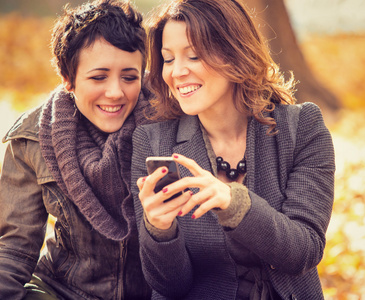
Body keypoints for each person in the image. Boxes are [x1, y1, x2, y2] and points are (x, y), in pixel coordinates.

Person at [131, 0, 335, 299]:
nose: (177, 72)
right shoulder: (153, 142)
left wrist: (234, 201)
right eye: (168, 59)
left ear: (234, 52)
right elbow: (169, 286)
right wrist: (159, 230)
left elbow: (303, 250)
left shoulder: (302, 126)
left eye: (194, 55)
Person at [0, 0, 154, 298]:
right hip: (62, 291)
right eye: (98, 77)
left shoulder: (169, 121)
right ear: (68, 79)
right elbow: (14, 252)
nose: (115, 92)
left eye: (130, 77)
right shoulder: (30, 139)